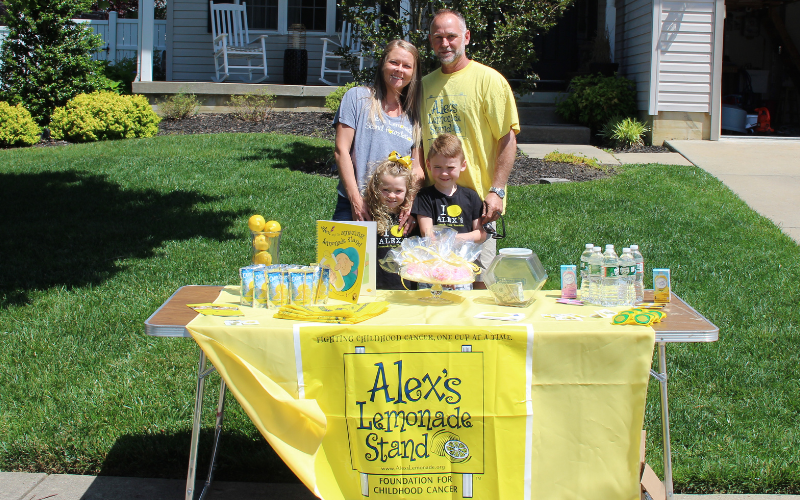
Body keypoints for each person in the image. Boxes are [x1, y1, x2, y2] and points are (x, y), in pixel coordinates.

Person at [422, 9, 520, 284]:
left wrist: (497, 190)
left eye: (451, 36)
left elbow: (507, 138)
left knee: (479, 282)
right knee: (436, 284)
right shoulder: (424, 85)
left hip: (477, 206)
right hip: (434, 204)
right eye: (438, 37)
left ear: (466, 37)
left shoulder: (489, 81)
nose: (445, 43)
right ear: (430, 40)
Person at [332, 39, 425, 232]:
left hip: (395, 211)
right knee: (342, 262)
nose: (399, 69)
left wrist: (411, 206)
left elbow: (418, 169)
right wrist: (356, 200)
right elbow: (341, 150)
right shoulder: (358, 98)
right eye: (394, 62)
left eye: (407, 66)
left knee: (394, 263)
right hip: (353, 205)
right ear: (383, 63)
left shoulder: (415, 116)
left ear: (413, 73)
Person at [412, 134, 486, 290]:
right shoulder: (425, 197)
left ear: (463, 165)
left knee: (460, 310)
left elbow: (481, 234)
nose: (444, 173)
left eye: (450, 167)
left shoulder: (471, 197)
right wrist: (443, 269)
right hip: (432, 270)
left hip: (461, 271)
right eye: (438, 167)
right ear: (428, 165)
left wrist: (455, 238)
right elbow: (428, 235)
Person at [363, 155, 420, 290]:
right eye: (386, 190)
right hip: (375, 287)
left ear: (408, 191)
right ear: (377, 188)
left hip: (407, 287)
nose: (391, 195)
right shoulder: (370, 215)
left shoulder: (412, 218)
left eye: (398, 191)